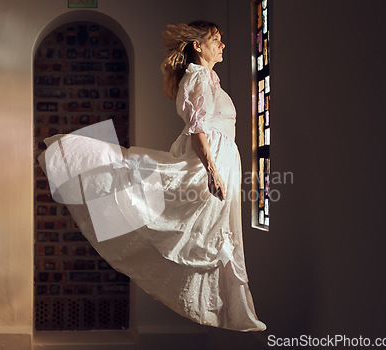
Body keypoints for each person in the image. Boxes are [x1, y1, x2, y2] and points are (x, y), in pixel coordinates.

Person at [39, 20, 266, 332]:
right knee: (169, 214)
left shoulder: (210, 79)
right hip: (204, 167)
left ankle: (233, 310)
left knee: (214, 238)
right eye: (216, 40)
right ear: (198, 46)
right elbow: (199, 131)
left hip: (220, 163)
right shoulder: (196, 78)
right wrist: (212, 171)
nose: (223, 45)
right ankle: (75, 157)